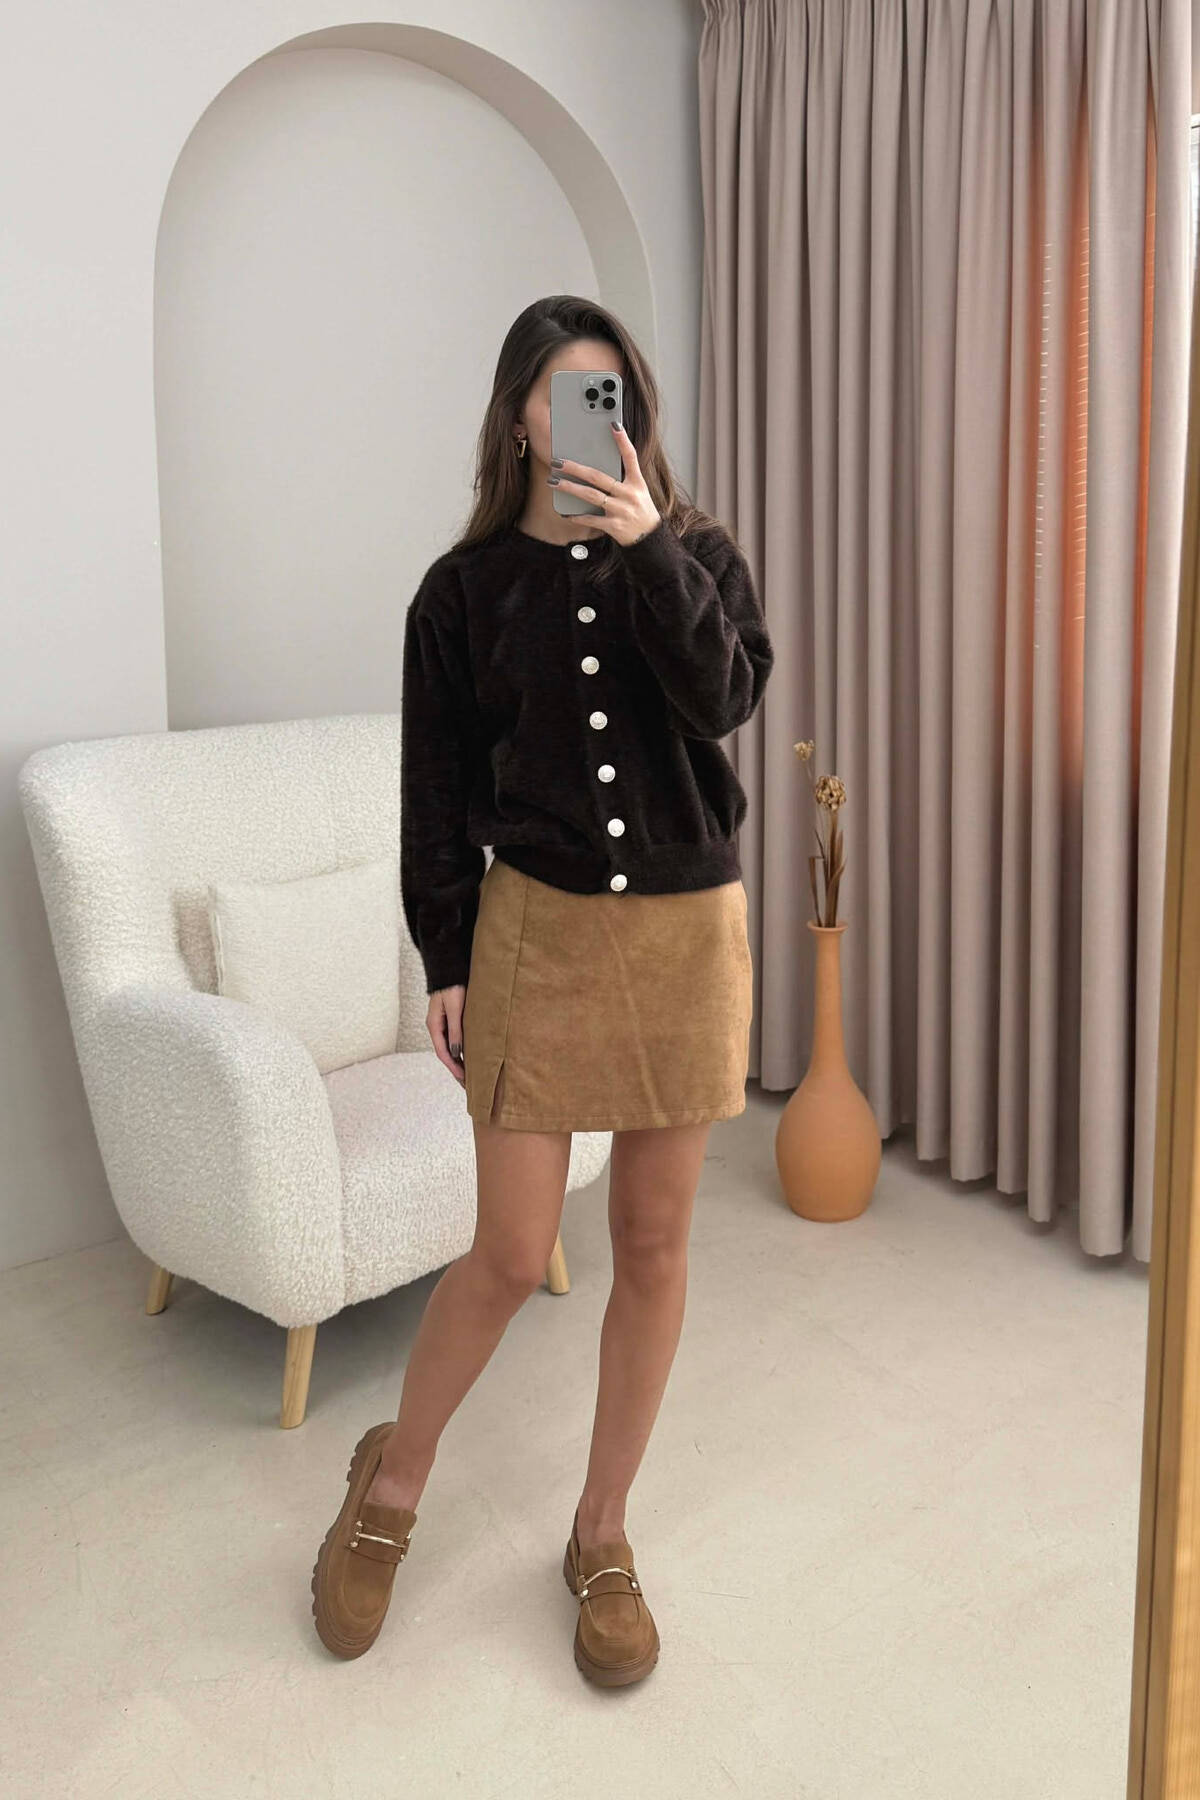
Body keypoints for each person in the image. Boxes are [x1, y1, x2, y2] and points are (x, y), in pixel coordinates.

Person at [311, 294, 774, 1685]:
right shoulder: (459, 595)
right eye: (569, 393)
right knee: (511, 1253)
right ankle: (391, 1481)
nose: (594, 417)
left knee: (653, 1242)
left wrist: (648, 551)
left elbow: (725, 701)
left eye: (613, 393)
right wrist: (446, 957)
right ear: (519, 414)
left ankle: (602, 1531)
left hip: (686, 936)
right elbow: (435, 797)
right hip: (535, 938)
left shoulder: (695, 554)